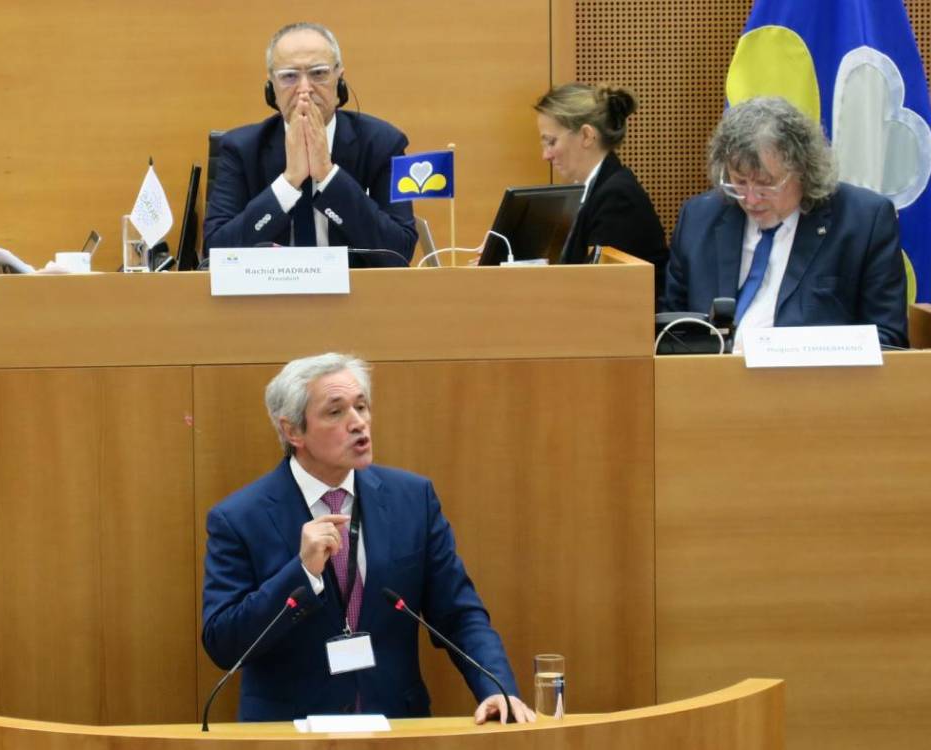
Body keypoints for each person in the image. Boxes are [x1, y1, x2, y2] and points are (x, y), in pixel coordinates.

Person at [201, 353, 533, 723]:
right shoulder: (239, 518)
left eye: (362, 406)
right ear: (293, 431)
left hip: (395, 727)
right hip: (289, 733)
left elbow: (459, 614)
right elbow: (224, 644)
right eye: (336, 412)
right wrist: (303, 574)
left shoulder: (413, 499)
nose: (358, 422)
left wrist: (497, 690)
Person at [663, 96, 908, 348]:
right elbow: (669, 332)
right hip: (711, 380)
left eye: (765, 184)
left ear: (803, 169)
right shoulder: (699, 219)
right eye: (739, 181)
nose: (750, 199)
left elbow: (887, 340)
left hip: (811, 382)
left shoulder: (863, 222)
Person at [202, 23, 417, 267]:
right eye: (289, 77)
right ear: (271, 88)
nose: (304, 89)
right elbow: (215, 253)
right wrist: (289, 181)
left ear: (340, 81)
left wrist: (328, 174)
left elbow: (399, 253)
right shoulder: (241, 148)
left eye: (318, 73)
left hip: (357, 299)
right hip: (266, 300)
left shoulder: (382, 143)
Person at [535, 83, 668, 293]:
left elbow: (598, 291)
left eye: (551, 142)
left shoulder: (617, 198)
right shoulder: (595, 190)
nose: (546, 155)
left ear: (587, 136)